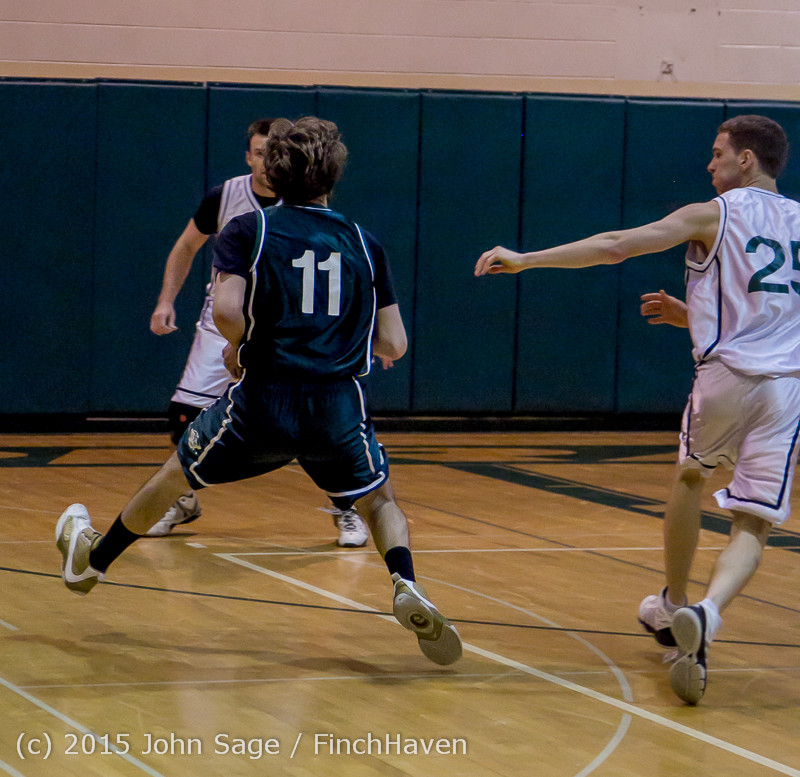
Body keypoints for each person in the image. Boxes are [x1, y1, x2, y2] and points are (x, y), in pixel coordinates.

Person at [57, 116, 462, 667]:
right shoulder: (365, 242)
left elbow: (225, 310)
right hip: (337, 405)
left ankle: (92, 564)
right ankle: (405, 582)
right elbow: (395, 340)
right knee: (378, 499)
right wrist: (337, 345)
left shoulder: (249, 230)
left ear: (273, 171)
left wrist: (243, 345)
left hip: (265, 397)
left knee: (176, 474)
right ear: (333, 175)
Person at [475, 114, 800, 703]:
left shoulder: (712, 212)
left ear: (746, 160)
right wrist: (693, 314)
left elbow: (615, 246)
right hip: (787, 388)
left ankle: (677, 605)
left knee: (690, 475)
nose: (710, 164)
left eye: (718, 153)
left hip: (725, 376)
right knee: (754, 520)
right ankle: (710, 611)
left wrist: (527, 258)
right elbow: (775, 302)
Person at [149, 117, 369, 548]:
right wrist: (165, 299)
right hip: (227, 321)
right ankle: (183, 497)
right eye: (260, 152)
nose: (268, 161)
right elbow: (185, 246)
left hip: (285, 328)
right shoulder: (226, 198)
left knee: (314, 421)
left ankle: (346, 508)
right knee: (183, 412)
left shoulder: (311, 208)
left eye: (275, 152)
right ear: (249, 156)